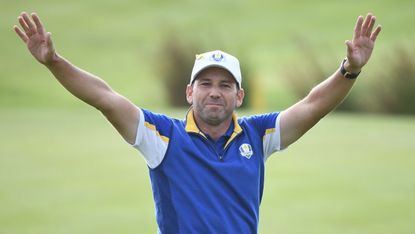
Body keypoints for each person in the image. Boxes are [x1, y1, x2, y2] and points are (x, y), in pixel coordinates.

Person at [14, 11, 381, 234]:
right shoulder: (164, 138)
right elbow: (106, 98)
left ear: (239, 96)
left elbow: (314, 105)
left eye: (225, 85)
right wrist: (55, 62)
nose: (214, 92)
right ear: (190, 92)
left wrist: (350, 70)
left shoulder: (258, 134)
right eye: (205, 83)